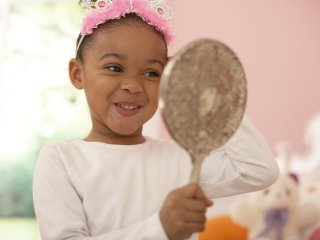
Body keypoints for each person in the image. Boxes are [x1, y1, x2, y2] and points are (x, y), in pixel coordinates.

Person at [32, 0, 279, 239]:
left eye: (152, 73)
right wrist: (161, 229)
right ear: (78, 74)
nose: (133, 85)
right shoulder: (61, 160)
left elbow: (258, 170)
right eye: (114, 68)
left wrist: (213, 96)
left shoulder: (182, 160)